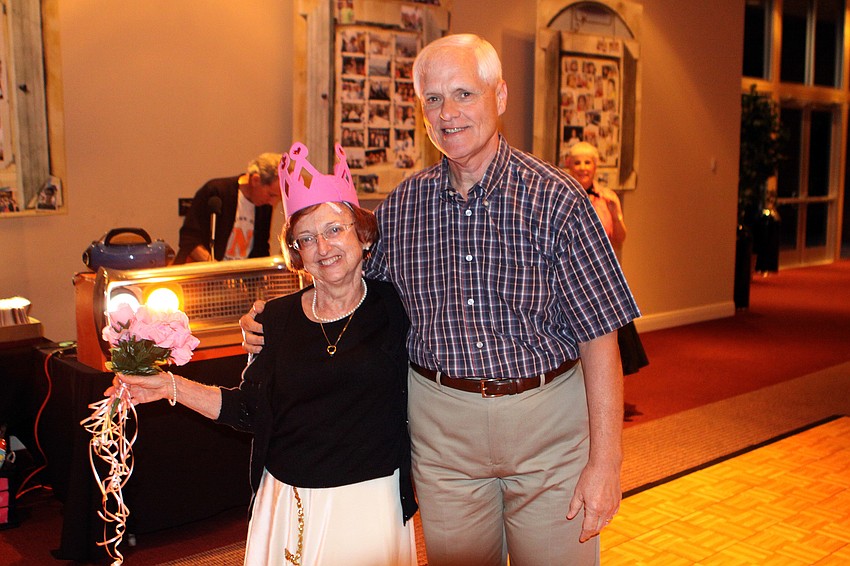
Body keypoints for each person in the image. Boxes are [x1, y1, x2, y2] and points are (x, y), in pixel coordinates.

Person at [243, 34, 640, 565]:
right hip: (443, 437)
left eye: (463, 94)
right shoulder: (404, 207)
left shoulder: (557, 199)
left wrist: (606, 464)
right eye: (433, 99)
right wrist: (275, 319)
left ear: (498, 97)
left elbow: (600, 335)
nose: (448, 113)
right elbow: (343, 283)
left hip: (549, 429)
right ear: (422, 112)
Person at [111, 142, 418, 565]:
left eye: (334, 230)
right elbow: (250, 411)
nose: (323, 247)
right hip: (288, 499)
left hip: (369, 500)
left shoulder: (399, 308)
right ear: (297, 253)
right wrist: (170, 386)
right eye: (307, 238)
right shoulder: (275, 320)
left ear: (363, 235)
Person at [567, 142, 649, 377]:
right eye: (578, 162)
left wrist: (615, 212)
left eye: (588, 162)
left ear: (595, 166)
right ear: (569, 165)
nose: (583, 167)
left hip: (602, 275)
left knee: (610, 339)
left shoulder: (608, 197)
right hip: (574, 274)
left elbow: (620, 238)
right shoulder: (563, 194)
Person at [174, 152, 282, 264]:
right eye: (271, 195)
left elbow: (261, 250)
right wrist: (214, 267)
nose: (273, 203)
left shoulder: (263, 206)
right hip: (202, 275)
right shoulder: (216, 191)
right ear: (255, 180)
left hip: (239, 278)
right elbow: (189, 239)